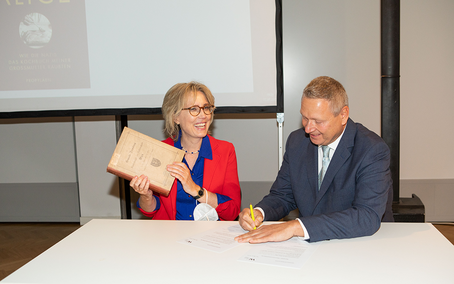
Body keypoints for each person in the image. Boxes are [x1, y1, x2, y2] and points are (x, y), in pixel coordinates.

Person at [235, 76, 393, 243]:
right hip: (309, 249)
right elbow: (283, 195)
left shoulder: (371, 149)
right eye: (305, 118)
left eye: (318, 121)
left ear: (343, 115)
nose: (308, 128)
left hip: (359, 246)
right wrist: (260, 212)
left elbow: (366, 216)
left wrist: (295, 227)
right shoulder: (297, 142)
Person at [130, 82, 241, 221]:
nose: (203, 115)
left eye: (206, 108)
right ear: (175, 117)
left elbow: (232, 211)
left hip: (210, 236)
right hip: (169, 235)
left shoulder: (225, 151)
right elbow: (151, 210)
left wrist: (195, 190)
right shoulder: (161, 151)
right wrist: (145, 195)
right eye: (194, 109)